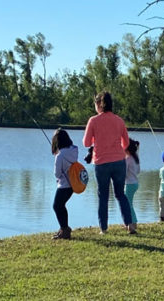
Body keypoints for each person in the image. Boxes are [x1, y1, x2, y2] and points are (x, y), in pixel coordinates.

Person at [82, 91, 136, 234]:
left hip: (101, 163)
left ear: (99, 104)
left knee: (103, 196)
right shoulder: (119, 120)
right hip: (119, 162)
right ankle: (130, 225)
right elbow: (126, 143)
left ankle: (104, 229)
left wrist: (97, 140)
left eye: (95, 103)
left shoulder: (93, 121)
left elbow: (86, 142)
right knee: (120, 194)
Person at [51, 128, 79, 240]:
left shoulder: (60, 156)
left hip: (64, 185)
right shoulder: (74, 150)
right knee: (61, 205)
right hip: (72, 184)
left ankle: (65, 229)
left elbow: (57, 174)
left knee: (57, 206)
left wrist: (58, 157)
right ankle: (64, 229)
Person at [124, 138, 140, 229]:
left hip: (129, 184)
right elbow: (138, 171)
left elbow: (124, 173)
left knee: (128, 204)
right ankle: (131, 223)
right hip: (135, 183)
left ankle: (133, 223)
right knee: (130, 203)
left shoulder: (128, 159)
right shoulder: (135, 158)